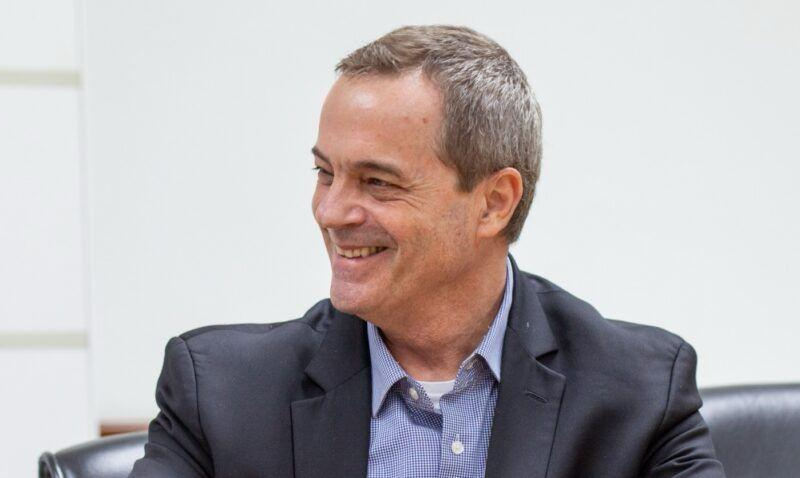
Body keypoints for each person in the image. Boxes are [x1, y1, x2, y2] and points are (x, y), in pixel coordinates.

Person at [130, 25, 725, 477]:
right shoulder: (221, 396)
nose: (331, 212)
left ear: (493, 203)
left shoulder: (638, 394)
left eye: (377, 182)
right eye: (325, 173)